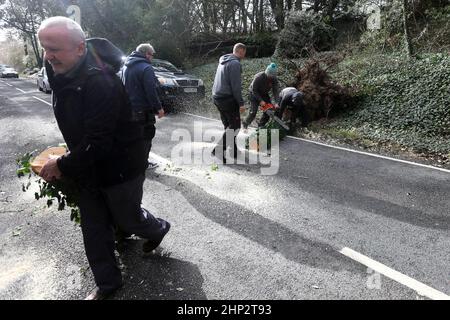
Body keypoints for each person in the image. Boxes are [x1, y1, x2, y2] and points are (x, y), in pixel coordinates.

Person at [37, 17, 170, 300]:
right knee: (94, 228)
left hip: (120, 165)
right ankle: (108, 284)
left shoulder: (102, 83)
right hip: (87, 165)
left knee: (129, 218)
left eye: (54, 49)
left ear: (79, 49)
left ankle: (158, 228)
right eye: (44, 48)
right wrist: (70, 153)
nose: (48, 56)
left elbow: (99, 142)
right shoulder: (56, 65)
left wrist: (60, 164)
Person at [121, 43, 164, 170]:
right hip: (142, 110)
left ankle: (131, 162)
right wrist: (159, 108)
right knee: (147, 136)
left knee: (134, 137)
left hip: (129, 109)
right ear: (146, 54)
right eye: (151, 55)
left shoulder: (127, 66)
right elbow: (150, 91)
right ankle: (142, 164)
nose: (152, 58)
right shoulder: (146, 67)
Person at [211, 43, 246, 163]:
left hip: (217, 97)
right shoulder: (235, 63)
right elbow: (236, 87)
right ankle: (219, 150)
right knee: (235, 126)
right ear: (240, 51)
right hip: (227, 99)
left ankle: (233, 150)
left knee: (229, 126)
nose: (244, 56)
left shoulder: (223, 61)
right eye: (244, 53)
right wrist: (241, 103)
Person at [242, 63, 280, 129]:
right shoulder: (259, 77)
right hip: (254, 94)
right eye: (270, 76)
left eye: (272, 76)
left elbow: (275, 91)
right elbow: (254, 90)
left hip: (264, 94)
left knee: (269, 110)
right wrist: (260, 100)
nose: (271, 77)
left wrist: (276, 102)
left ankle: (261, 125)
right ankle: (246, 123)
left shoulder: (274, 79)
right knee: (253, 112)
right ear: (267, 72)